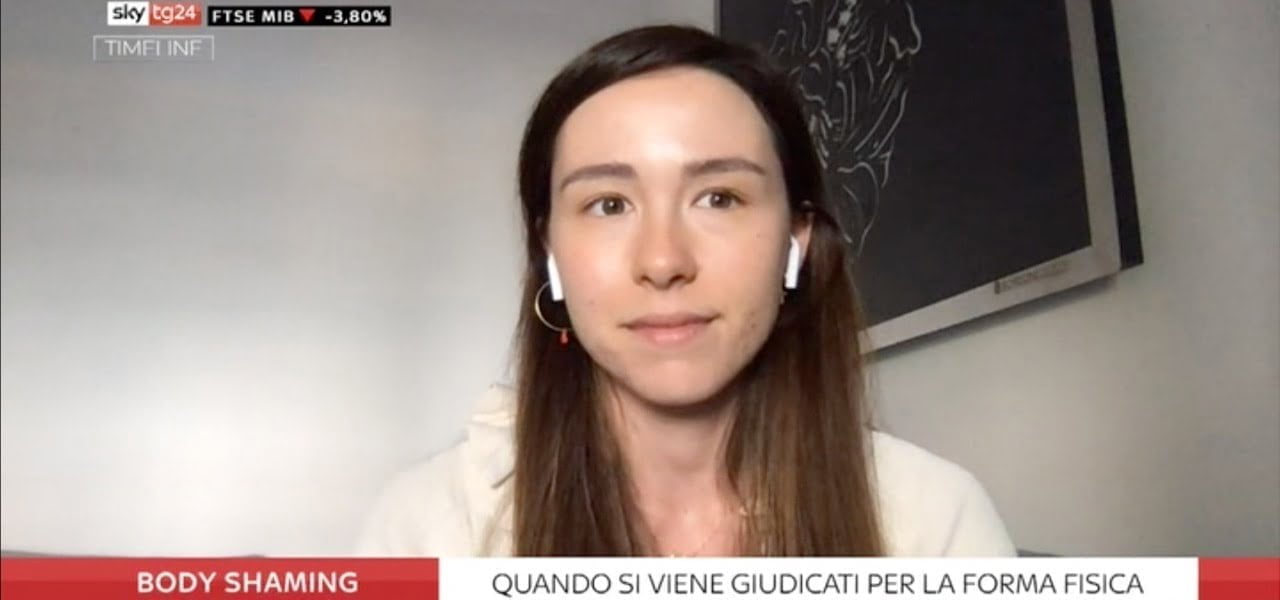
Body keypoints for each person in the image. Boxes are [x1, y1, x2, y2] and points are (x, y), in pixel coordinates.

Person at [357, 25, 1015, 557]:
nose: (663, 261)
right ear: (549, 249)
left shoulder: (931, 521)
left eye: (719, 197)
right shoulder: (427, 530)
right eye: (609, 204)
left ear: (796, 238)